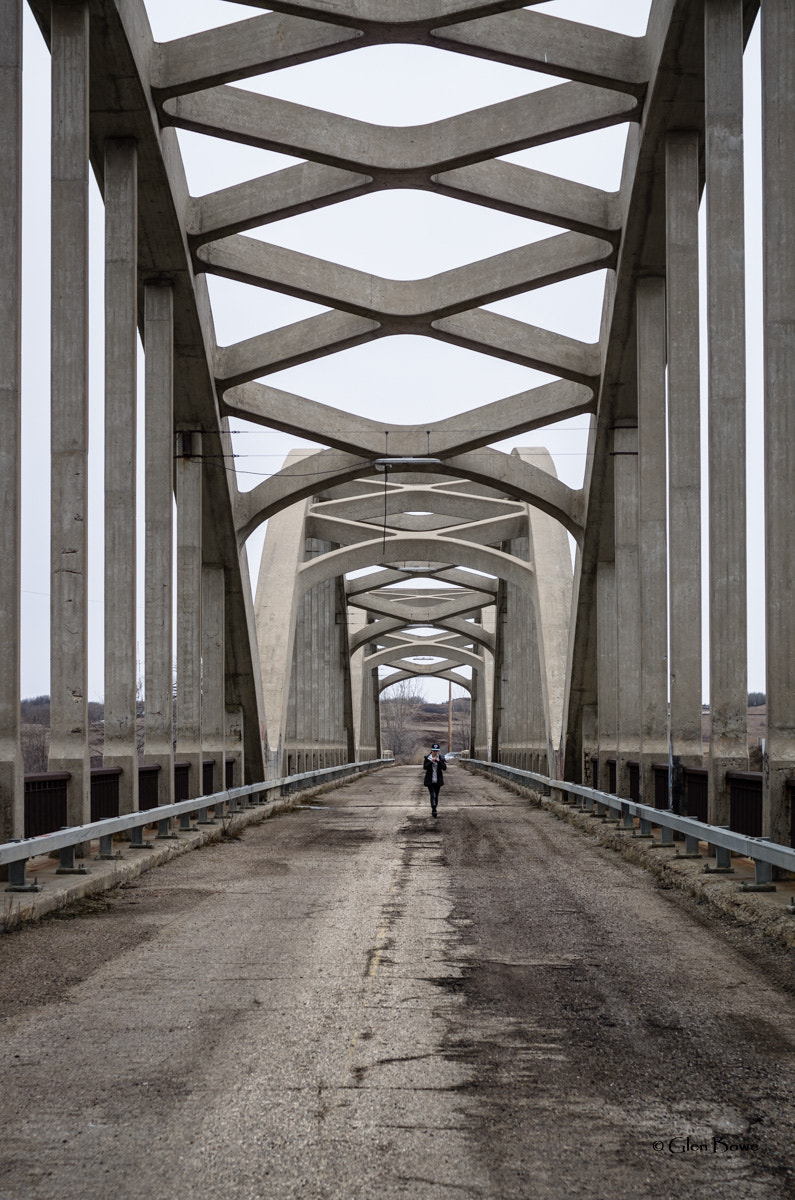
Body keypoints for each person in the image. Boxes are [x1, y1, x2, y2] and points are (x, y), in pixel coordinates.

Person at [422, 743, 446, 818]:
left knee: (436, 795)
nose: (435, 752)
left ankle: (434, 808)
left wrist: (439, 761)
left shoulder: (441, 758)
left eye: (436, 751)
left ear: (438, 751)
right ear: (431, 750)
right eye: (434, 751)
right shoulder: (427, 758)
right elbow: (425, 767)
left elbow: (444, 768)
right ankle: (434, 809)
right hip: (430, 780)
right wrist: (430, 762)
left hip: (438, 780)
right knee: (432, 794)